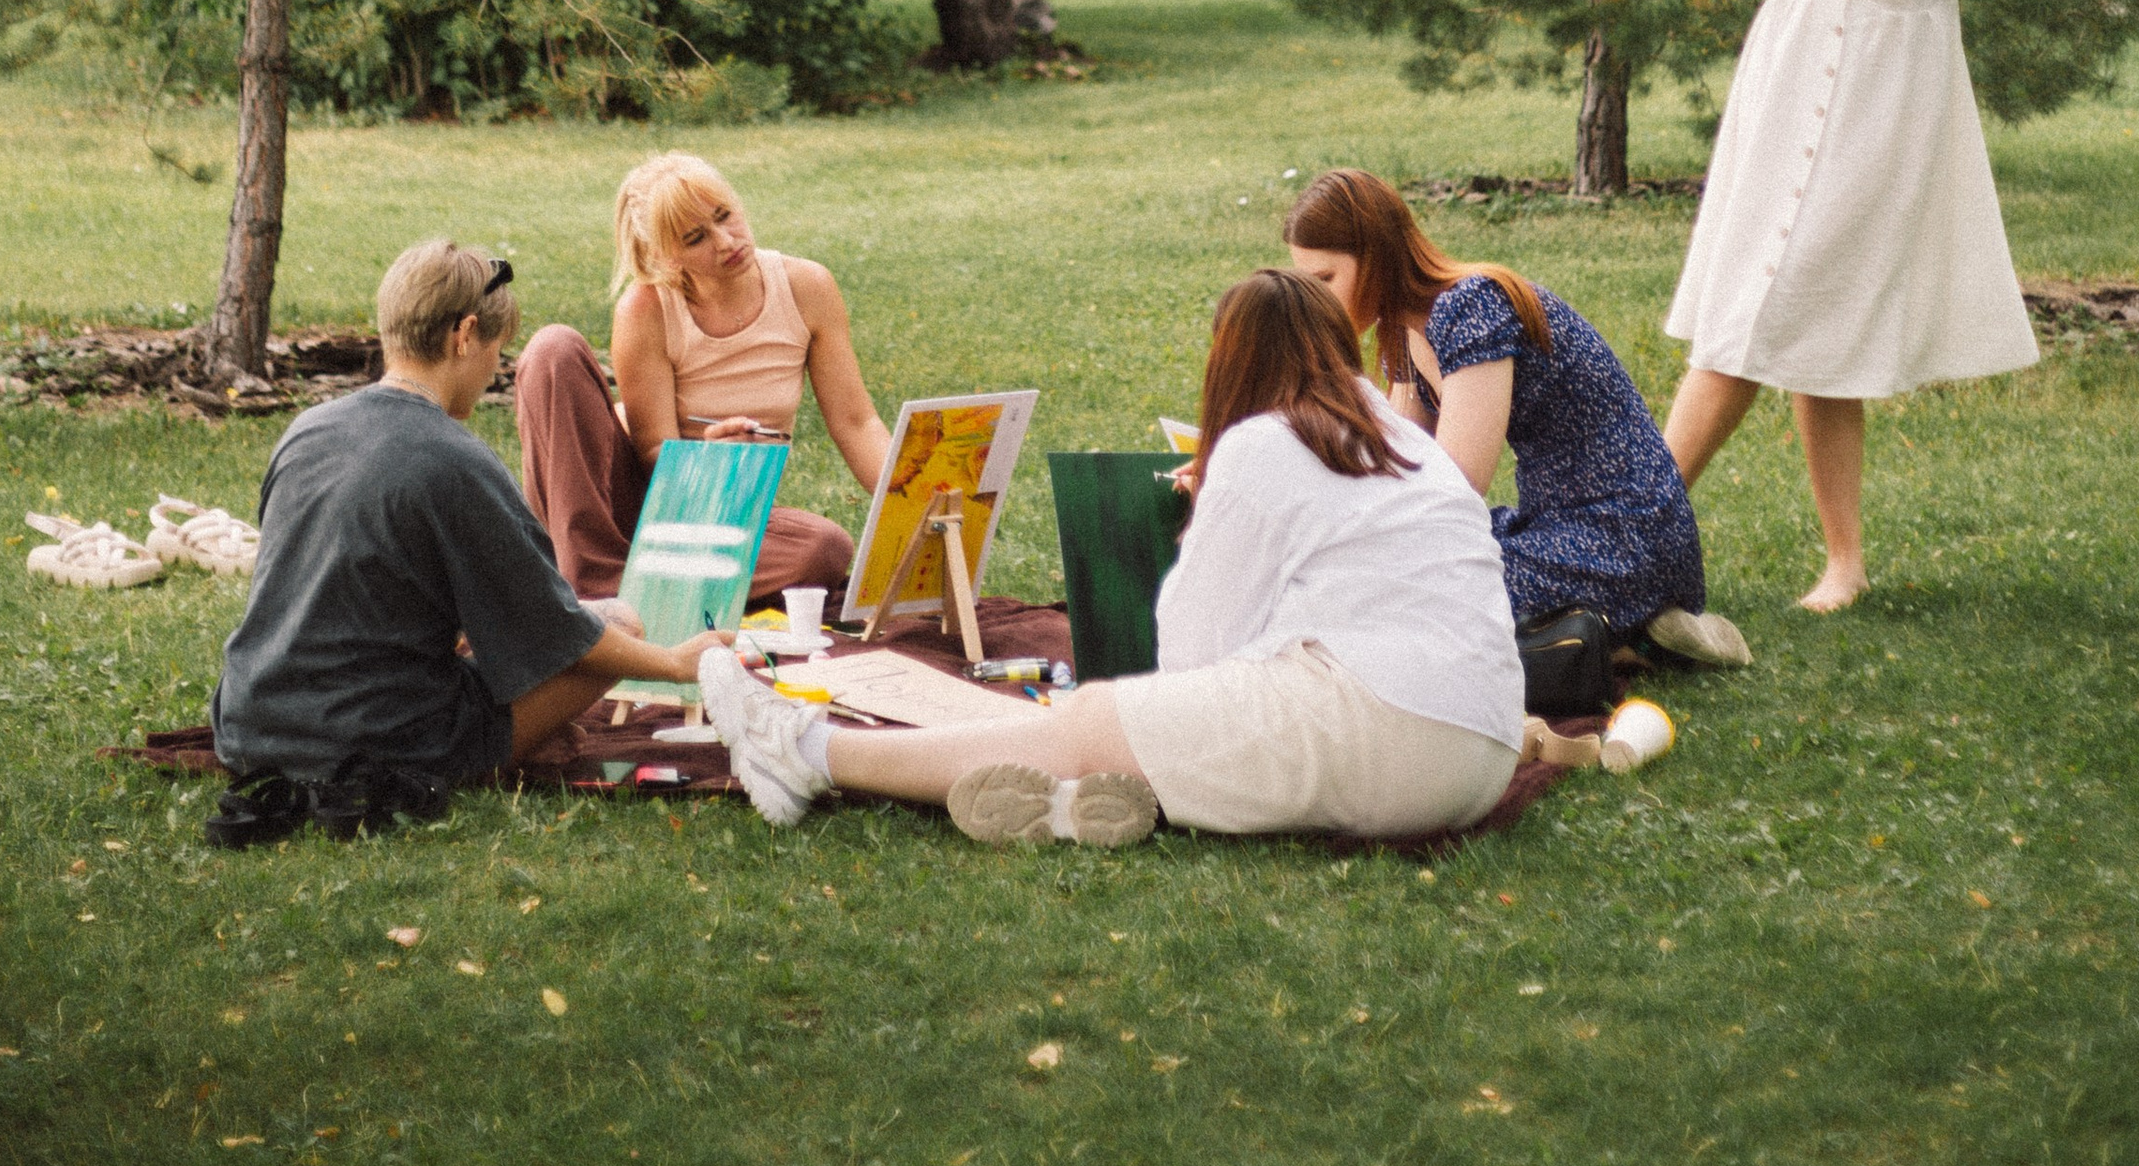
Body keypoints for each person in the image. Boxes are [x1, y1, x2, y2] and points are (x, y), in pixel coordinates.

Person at [700, 270, 1533, 848]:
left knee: (1097, 719)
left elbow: (1189, 657)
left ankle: (805, 752)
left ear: (1231, 359)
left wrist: (1203, 521)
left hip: (1389, 732)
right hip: (1480, 754)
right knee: (1089, 733)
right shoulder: (1403, 440)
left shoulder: (1261, 445)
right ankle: (1063, 807)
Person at [1653, 0, 2139, 612]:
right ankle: (1652, 526)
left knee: (1808, 301)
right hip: (1793, 67)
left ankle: (1729, 542)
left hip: (1895, 89)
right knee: (1762, 292)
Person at [209, 239, 711, 823]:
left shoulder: (306, 429)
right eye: (498, 351)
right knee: (619, 620)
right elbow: (561, 634)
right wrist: (675, 663)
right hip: (380, 743)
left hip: (249, 724)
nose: (495, 367)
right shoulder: (453, 459)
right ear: (465, 334)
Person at [1280, 169, 1747, 671]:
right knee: (1394, 571)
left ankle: (1626, 637)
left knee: (1430, 584)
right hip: (1557, 522)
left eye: (1325, 280)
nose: (1316, 303)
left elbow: (1456, 487)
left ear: (1374, 258)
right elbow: (1393, 462)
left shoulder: (1470, 306)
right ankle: (1620, 633)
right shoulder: (1403, 333)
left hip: (1627, 533)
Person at [514, 154, 885, 609]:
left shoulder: (807, 287)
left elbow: (856, 421)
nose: (725, 241)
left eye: (725, 215)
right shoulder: (646, 309)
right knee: (553, 348)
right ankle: (591, 591)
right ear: (664, 256)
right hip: (627, 504)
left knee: (824, 547)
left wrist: (911, 492)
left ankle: (638, 592)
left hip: (716, 517)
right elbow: (653, 452)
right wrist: (705, 460)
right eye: (695, 238)